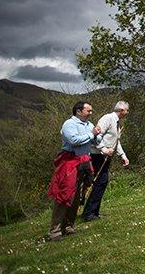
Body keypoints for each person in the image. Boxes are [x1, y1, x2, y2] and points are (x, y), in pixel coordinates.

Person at [47, 102, 101, 241]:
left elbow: (95, 141)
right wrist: (92, 134)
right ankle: (55, 230)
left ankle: (69, 226)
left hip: (83, 161)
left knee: (77, 195)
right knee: (64, 195)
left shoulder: (89, 125)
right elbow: (73, 141)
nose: (91, 113)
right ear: (78, 111)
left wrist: (96, 135)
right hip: (69, 162)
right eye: (88, 110)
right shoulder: (69, 124)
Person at [81, 101, 130, 222]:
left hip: (105, 156)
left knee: (102, 182)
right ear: (122, 110)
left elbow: (115, 142)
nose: (127, 113)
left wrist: (123, 156)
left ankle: (94, 212)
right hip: (97, 155)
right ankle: (88, 213)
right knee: (100, 181)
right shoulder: (107, 118)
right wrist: (103, 149)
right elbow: (96, 137)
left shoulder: (117, 122)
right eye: (127, 110)